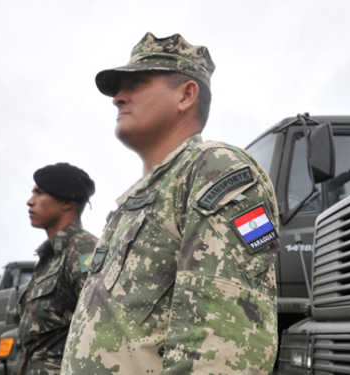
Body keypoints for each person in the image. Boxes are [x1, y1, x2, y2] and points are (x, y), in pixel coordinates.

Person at [61, 33, 280, 375]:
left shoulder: (214, 169)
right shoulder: (134, 200)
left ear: (186, 95)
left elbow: (221, 349)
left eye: (136, 83)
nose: (118, 98)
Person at [17, 163, 98, 374]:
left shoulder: (83, 250)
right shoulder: (51, 256)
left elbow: (102, 328)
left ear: (67, 201)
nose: (30, 201)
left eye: (39, 193)